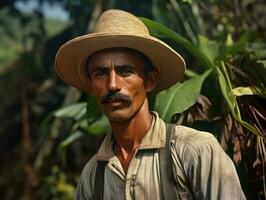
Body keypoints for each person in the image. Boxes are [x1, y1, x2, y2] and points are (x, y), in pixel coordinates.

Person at [55, 9, 246, 200]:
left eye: (125, 71)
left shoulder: (195, 152)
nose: (112, 84)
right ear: (91, 86)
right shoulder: (92, 177)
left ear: (150, 81)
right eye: (100, 73)